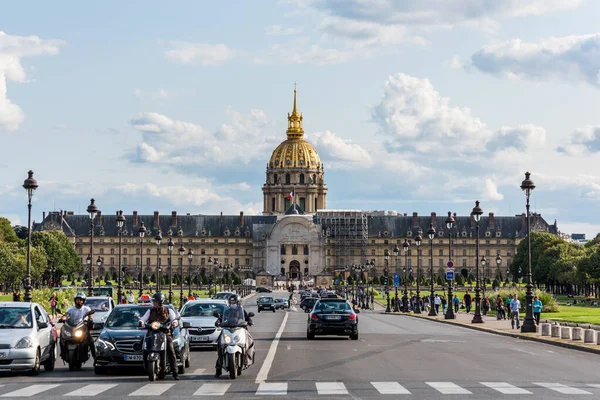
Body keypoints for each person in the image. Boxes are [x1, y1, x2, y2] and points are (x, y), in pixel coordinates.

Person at [139, 292, 179, 380]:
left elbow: (174, 319)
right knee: (143, 343)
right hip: (151, 333)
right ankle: (143, 364)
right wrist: (141, 322)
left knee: (170, 348)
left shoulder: (168, 310)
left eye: (155, 301)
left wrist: (174, 323)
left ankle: (175, 372)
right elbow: (143, 318)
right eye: (153, 301)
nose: (154, 303)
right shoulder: (150, 311)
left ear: (160, 302)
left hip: (164, 333)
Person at [214, 294, 254, 378]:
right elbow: (221, 318)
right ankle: (218, 367)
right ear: (229, 302)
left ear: (238, 302)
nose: (233, 304)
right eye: (231, 302)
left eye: (235, 302)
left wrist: (249, 321)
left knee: (250, 341)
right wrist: (218, 321)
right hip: (227, 329)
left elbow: (247, 317)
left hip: (240, 329)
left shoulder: (242, 310)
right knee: (219, 343)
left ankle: (248, 357)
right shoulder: (226, 311)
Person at [63, 292, 95, 359]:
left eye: (81, 300)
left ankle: (95, 358)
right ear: (75, 300)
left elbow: (90, 315)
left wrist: (90, 320)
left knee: (91, 342)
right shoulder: (70, 309)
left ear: (83, 301)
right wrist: (64, 318)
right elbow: (67, 315)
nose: (79, 301)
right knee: (62, 336)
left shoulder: (86, 309)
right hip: (72, 327)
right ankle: (63, 353)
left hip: (83, 327)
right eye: (77, 300)